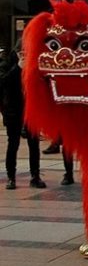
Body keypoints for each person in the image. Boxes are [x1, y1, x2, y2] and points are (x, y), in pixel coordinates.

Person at [0, 44, 46, 189]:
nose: (24, 55)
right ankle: (11, 177)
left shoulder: (36, 63)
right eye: (22, 52)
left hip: (31, 110)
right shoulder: (7, 64)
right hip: (14, 111)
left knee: (34, 145)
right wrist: (18, 68)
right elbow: (3, 82)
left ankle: (35, 176)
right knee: (13, 144)